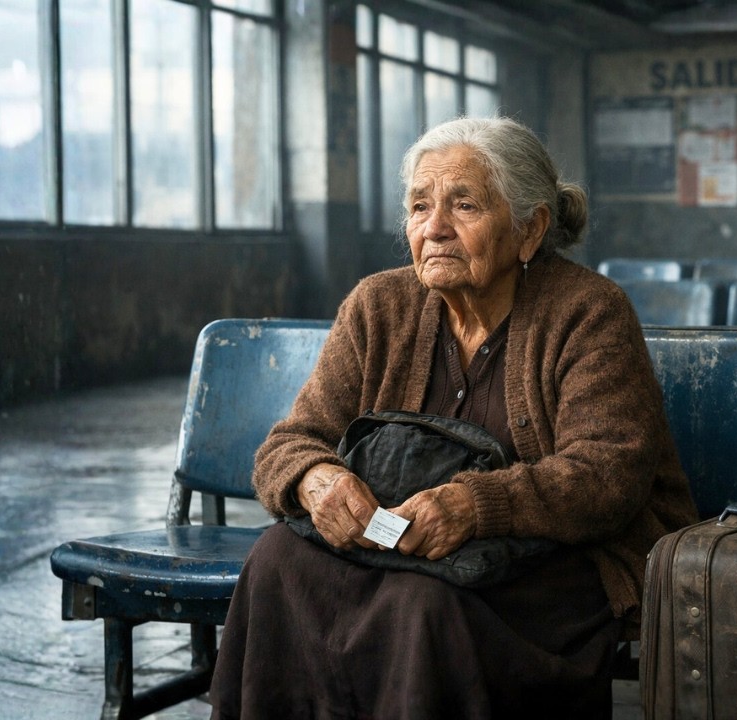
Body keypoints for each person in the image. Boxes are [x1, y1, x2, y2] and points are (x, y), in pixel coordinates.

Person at [208, 116, 699, 719]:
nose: (434, 228)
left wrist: (475, 508)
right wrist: (319, 482)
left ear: (530, 229)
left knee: (419, 605)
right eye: (419, 207)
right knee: (276, 562)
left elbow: (607, 474)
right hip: (403, 553)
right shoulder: (378, 305)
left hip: (555, 563)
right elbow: (292, 442)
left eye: (463, 205)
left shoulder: (587, 312)